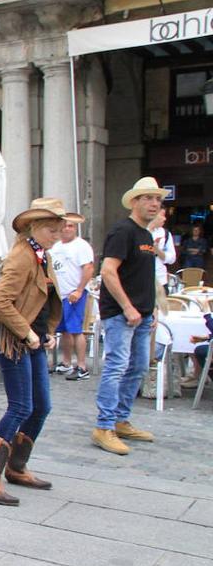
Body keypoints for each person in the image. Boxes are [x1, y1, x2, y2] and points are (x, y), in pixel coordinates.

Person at [0, 198, 76, 504]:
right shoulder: (22, 255)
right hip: (14, 342)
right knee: (20, 407)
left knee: (41, 406)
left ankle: (16, 467)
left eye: (60, 228)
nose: (57, 233)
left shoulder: (40, 253)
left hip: (32, 341)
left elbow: (44, 299)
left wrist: (47, 332)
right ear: (33, 227)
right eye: (51, 228)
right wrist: (29, 333)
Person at [91, 176, 166, 456]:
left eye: (157, 199)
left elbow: (145, 276)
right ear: (134, 202)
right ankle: (104, 426)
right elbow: (108, 271)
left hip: (143, 314)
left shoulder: (146, 235)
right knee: (116, 366)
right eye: (148, 198)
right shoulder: (123, 231)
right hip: (122, 314)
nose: (154, 203)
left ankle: (121, 420)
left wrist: (152, 308)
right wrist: (127, 307)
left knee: (138, 367)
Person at [51, 218, 95, 379]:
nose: (67, 229)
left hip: (74, 293)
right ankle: (66, 362)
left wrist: (79, 289)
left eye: (71, 226)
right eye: (64, 226)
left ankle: (82, 366)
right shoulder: (55, 246)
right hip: (59, 294)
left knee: (76, 330)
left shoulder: (81, 246)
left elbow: (88, 268)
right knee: (64, 330)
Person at [148, 212, 175, 309]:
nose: (164, 219)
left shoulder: (166, 234)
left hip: (161, 280)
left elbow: (172, 259)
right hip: (142, 282)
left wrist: (158, 251)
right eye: (162, 215)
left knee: (161, 312)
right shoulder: (139, 232)